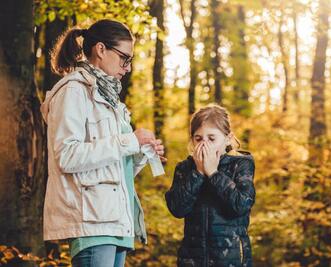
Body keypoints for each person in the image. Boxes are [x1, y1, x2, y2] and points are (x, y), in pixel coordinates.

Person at [40, 19, 165, 267]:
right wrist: (129, 141)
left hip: (116, 219)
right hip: (92, 223)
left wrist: (140, 152)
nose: (127, 67)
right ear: (100, 49)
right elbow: (67, 156)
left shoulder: (111, 100)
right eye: (124, 58)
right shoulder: (74, 91)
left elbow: (116, 167)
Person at [165, 105, 256, 267]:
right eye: (198, 139)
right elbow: (177, 208)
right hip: (192, 259)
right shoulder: (185, 168)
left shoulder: (241, 164)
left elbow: (241, 205)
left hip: (231, 259)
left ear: (228, 138)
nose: (204, 145)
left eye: (211, 138)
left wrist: (213, 173)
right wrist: (198, 173)